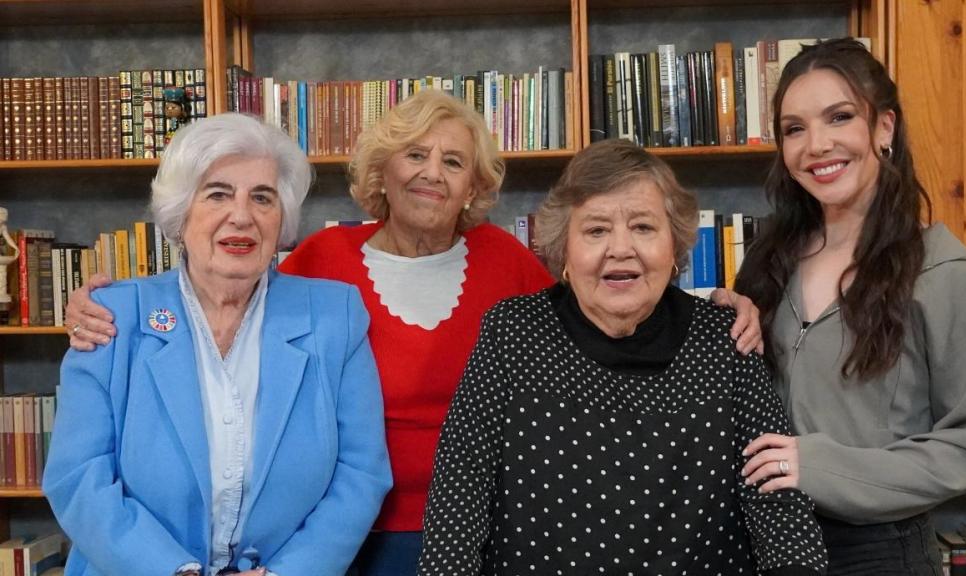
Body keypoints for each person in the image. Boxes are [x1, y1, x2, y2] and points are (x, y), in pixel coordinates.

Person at [61, 90, 762, 575]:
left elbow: (605, 309)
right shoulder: (324, 268)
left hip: (489, 525)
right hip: (348, 540)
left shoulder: (507, 264)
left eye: (453, 162)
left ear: (473, 185)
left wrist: (713, 308)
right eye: (415, 155)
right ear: (382, 170)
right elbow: (225, 284)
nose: (432, 173)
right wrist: (103, 303)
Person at [418, 138, 827, 575]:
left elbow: (780, 504)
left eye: (643, 227)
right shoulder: (512, 333)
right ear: (565, 252)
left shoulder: (725, 338)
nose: (620, 248)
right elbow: (458, 499)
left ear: (675, 248)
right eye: (596, 230)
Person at [43, 113, 392, 576]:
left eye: (262, 198)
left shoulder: (334, 316)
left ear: (282, 218)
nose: (242, 216)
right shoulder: (112, 318)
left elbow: (360, 473)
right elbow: (77, 476)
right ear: (181, 212)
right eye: (218, 194)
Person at [729, 38, 966, 574]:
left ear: (884, 127)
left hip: (878, 553)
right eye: (794, 129)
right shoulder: (770, 262)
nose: (816, 145)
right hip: (764, 543)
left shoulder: (945, 271)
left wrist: (823, 466)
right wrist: (727, 314)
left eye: (838, 117)